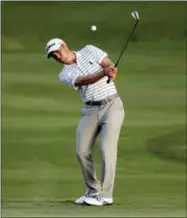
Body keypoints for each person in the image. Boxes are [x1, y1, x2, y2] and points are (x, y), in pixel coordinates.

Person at [46, 38, 125, 206]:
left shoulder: (89, 49)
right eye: (53, 56)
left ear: (65, 45)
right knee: (81, 151)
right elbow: (84, 80)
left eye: (58, 51)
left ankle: (106, 195)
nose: (57, 56)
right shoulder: (64, 74)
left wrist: (110, 70)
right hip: (90, 110)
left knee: (107, 148)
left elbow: (107, 63)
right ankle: (93, 190)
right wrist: (103, 73)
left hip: (112, 105)